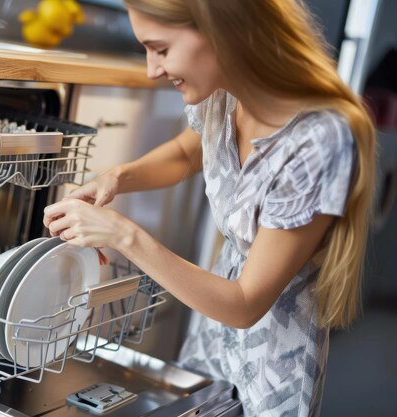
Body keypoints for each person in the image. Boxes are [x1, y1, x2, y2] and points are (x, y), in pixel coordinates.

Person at [43, 0, 377, 415]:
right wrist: (118, 176)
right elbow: (189, 151)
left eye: (161, 49)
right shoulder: (224, 94)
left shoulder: (318, 141)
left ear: (221, 30)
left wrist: (123, 235)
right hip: (211, 330)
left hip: (271, 362)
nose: (152, 69)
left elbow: (245, 303)